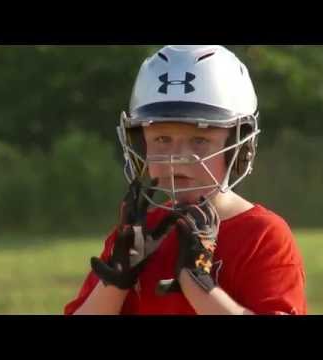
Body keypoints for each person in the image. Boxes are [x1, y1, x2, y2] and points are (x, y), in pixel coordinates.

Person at [64, 45, 307, 315]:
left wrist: (199, 286)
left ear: (240, 145)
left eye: (200, 139)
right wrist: (116, 283)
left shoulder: (262, 236)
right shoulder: (139, 236)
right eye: (162, 139)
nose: (178, 156)